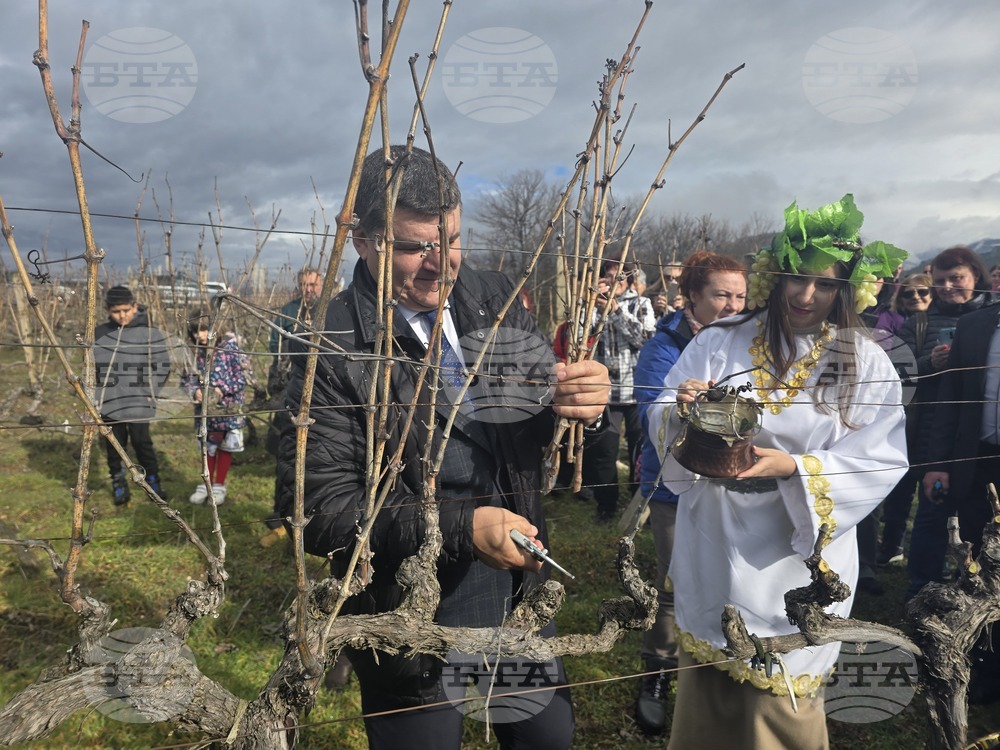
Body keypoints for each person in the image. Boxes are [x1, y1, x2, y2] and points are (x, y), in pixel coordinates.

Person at [274, 145, 609, 750]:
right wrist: (462, 526)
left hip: (517, 592)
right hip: (407, 613)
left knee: (547, 739)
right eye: (414, 247)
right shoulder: (327, 344)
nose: (441, 265)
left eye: (452, 240)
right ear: (364, 241)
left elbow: (530, 426)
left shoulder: (495, 296)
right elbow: (319, 512)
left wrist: (576, 400)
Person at [647, 195, 908, 749]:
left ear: (848, 290)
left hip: (798, 552)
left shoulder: (864, 362)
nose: (805, 295)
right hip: (714, 533)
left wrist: (795, 466)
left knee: (781, 695)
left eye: (826, 285)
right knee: (711, 683)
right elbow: (662, 413)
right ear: (776, 275)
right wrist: (681, 407)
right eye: (796, 278)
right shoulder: (720, 340)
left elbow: (882, 456)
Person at [631, 251, 746, 734]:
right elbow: (648, 413)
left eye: (741, 295)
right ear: (692, 296)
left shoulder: (751, 342)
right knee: (674, 583)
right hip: (673, 488)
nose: (732, 304)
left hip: (733, 487)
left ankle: (721, 669)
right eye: (721, 294)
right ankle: (658, 671)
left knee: (730, 580)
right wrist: (679, 405)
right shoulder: (663, 347)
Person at [898, 246, 992, 599]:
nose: (948, 286)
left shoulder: (990, 320)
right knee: (931, 516)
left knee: (981, 520)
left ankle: (970, 589)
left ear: (976, 278)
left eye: (957, 278)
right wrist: (928, 364)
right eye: (940, 281)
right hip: (931, 434)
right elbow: (897, 373)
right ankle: (921, 589)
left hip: (980, 440)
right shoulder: (918, 323)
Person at [920, 302, 1000, 704]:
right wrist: (937, 464)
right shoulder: (973, 325)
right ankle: (984, 669)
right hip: (977, 464)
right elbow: (950, 398)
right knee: (977, 569)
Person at [259, 266, 323, 547]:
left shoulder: (332, 310)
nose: (308, 289)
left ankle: (315, 517)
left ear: (321, 285)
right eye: (304, 284)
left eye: (313, 285)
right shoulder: (289, 310)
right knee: (284, 453)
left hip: (321, 394)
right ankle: (280, 518)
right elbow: (276, 345)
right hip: (289, 389)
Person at [590, 255, 656, 520]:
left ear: (628, 279)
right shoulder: (592, 306)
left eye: (619, 277)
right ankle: (606, 506)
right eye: (609, 276)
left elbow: (644, 340)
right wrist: (593, 306)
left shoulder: (641, 304)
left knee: (639, 450)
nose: (614, 282)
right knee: (604, 451)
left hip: (635, 389)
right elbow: (583, 338)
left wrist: (617, 311)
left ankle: (639, 504)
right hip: (606, 392)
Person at [93, 285, 171, 505]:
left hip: (139, 398)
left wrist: (151, 391)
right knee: (114, 443)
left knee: (141, 442)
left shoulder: (148, 332)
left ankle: (153, 480)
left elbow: (162, 364)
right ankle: (118, 481)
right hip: (109, 400)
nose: (122, 316)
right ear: (107, 310)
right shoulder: (100, 332)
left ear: (135, 306)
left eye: (126, 310)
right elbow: (92, 367)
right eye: (116, 311)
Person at [875, 272, 933, 566]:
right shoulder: (898, 323)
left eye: (922, 292)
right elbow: (902, 370)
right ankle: (892, 544)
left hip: (937, 417)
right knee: (901, 485)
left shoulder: (943, 322)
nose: (916, 298)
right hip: (908, 414)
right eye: (908, 294)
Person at [182, 313, 249, 506]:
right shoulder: (193, 354)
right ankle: (207, 483)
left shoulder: (231, 349)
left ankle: (219, 485)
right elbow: (186, 380)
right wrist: (195, 392)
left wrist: (222, 389)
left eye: (204, 329)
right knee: (208, 446)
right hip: (206, 412)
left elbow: (242, 377)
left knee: (225, 446)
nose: (200, 335)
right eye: (195, 331)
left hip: (228, 409)